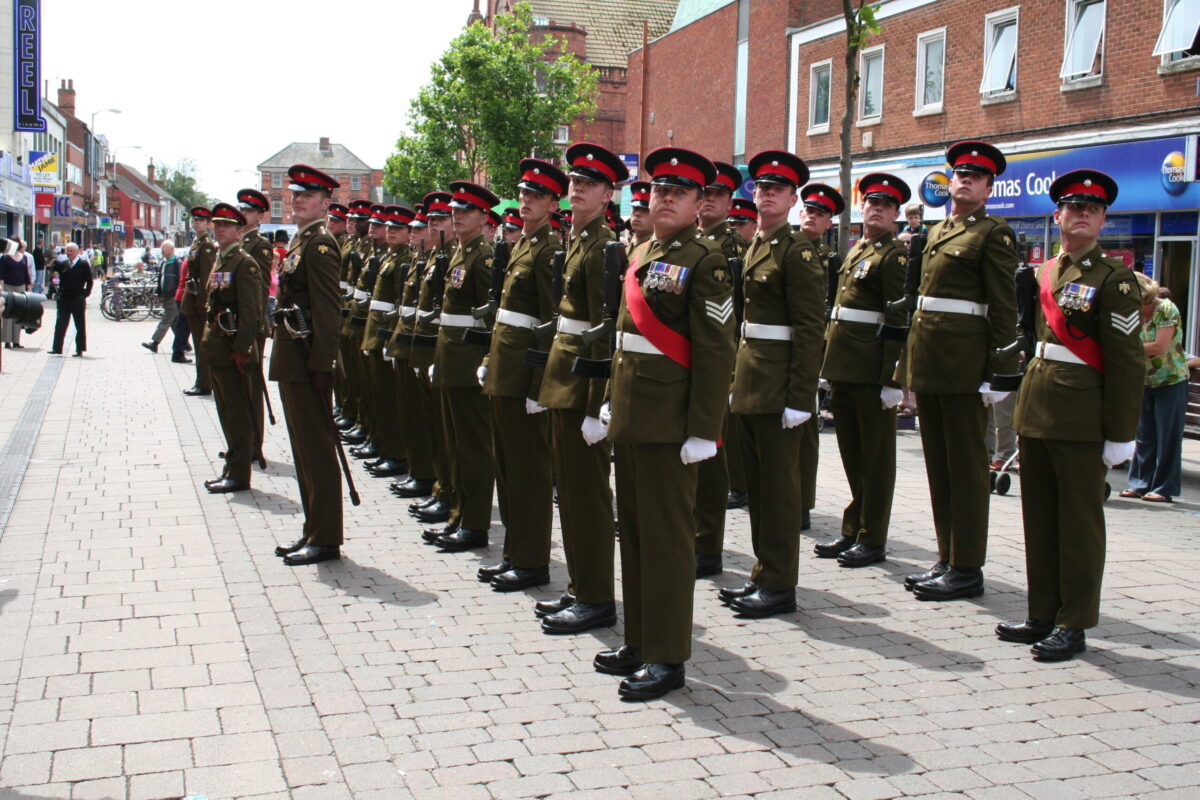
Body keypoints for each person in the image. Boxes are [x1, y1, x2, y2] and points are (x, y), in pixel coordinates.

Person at [593, 146, 735, 700]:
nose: (666, 198)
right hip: (633, 416)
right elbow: (622, 340)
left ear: (700, 202)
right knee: (633, 534)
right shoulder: (644, 250)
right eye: (660, 190)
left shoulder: (706, 260)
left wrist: (705, 428)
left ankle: (668, 655)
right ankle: (640, 638)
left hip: (672, 425)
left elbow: (716, 350)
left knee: (668, 542)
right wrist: (609, 399)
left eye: (679, 192)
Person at [1000, 170, 1144, 661]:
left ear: (1103, 220)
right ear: (1057, 215)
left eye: (1092, 208)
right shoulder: (1045, 272)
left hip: (1083, 419)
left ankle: (1074, 622)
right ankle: (1042, 612)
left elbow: (1126, 361)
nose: (1081, 213)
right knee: (1039, 519)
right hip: (1039, 409)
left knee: (1079, 525)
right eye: (1073, 206)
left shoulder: (1115, 280)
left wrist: (1121, 433)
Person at [896, 139, 1021, 601]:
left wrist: (999, 371)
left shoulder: (994, 232)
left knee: (966, 470)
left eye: (975, 176)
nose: (964, 180)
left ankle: (967, 566)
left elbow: (1003, 307)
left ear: (989, 186)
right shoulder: (939, 230)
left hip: (967, 367)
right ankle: (948, 556)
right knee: (940, 468)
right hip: (933, 363)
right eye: (959, 173)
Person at [723, 150, 826, 619]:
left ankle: (780, 585)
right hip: (751, 380)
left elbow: (809, 328)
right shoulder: (756, 245)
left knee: (780, 492)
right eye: (762, 187)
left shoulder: (797, 250)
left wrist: (801, 397)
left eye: (777, 189)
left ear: (792, 198)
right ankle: (763, 574)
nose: (766, 194)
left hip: (780, 386)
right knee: (759, 489)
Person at [536, 141, 629, 635]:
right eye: (573, 181)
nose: (576, 189)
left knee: (588, 497)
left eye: (588, 183)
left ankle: (596, 597)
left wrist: (598, 405)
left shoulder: (604, 248)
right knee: (569, 494)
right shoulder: (578, 240)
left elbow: (604, 329)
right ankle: (580, 585)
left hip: (581, 387)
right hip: (561, 380)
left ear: (609, 194)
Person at [477, 159, 568, 591]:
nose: (527, 201)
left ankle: (532, 560)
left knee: (529, 472)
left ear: (553, 202)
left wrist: (538, 386)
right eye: (524, 193)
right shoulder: (522, 246)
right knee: (508, 468)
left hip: (524, 379)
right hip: (505, 371)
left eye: (537, 195)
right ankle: (515, 551)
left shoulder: (550, 251)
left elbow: (551, 325)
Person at [816, 174, 907, 568]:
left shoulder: (894, 256)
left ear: (896, 215)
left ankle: (873, 538)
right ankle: (853, 528)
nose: (876, 209)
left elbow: (898, 318)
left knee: (876, 460)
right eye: (872, 202)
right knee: (853, 455)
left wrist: (892, 378)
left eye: (885, 205)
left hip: (871, 372)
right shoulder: (856, 250)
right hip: (845, 368)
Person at [271, 165, 345, 566]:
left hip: (306, 360)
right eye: (295, 194)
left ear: (324, 203)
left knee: (317, 450)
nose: (298, 200)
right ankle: (313, 529)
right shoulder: (301, 241)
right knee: (302, 449)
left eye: (307, 195)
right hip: (292, 357)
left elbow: (328, 310)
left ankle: (327, 537)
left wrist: (323, 364)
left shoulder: (320, 245)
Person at [429, 181, 499, 552]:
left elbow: (491, 320)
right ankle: (458, 515)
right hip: (450, 360)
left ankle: (474, 524)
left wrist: (485, 363)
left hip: (469, 363)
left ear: (483, 217)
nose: (456, 216)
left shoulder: (482, 257)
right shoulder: (459, 253)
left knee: (473, 447)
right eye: (454, 210)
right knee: (455, 444)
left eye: (465, 211)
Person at [692, 161, 744, 578]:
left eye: (715, 194)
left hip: (714, 361)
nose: (707, 200)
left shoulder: (730, 249)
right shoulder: (689, 242)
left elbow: (729, 317)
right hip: (681, 360)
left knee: (710, 459)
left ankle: (707, 545)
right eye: (702, 192)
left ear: (728, 201)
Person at [201, 203, 265, 494]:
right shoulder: (221, 259)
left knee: (238, 414)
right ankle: (231, 465)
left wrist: (242, 350)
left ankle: (239, 474)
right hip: (216, 348)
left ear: (240, 231)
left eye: (227, 225)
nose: (220, 229)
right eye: (218, 225)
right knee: (226, 412)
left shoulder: (244, 263)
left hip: (232, 351)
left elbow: (251, 313)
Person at [1120, 271, 1190, 503]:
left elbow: (1160, 346)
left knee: (1167, 437)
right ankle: (1139, 483)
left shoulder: (1166, 309)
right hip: (1144, 380)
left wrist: (1125, 347)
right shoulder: (1133, 311)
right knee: (1144, 435)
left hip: (1170, 380)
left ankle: (1163, 487)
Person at [181, 207, 218, 396]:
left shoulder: (206, 245)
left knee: (200, 345)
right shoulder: (197, 242)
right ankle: (202, 380)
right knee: (197, 344)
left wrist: (203, 303)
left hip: (199, 302)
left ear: (208, 223)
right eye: (195, 220)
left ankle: (204, 383)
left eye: (201, 220)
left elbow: (206, 277)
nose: (197, 223)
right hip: (192, 299)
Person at [141, 241, 189, 362]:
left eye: (164, 248)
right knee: (174, 321)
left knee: (167, 319)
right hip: (165, 296)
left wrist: (177, 293)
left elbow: (181, 279)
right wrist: (159, 292)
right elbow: (160, 279)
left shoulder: (176, 262)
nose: (162, 250)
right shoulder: (164, 262)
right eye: (162, 248)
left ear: (171, 249)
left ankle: (155, 342)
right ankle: (184, 343)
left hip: (173, 296)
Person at [49, 242, 93, 356]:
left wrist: (85, 294)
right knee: (60, 324)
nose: (69, 253)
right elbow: (53, 269)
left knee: (79, 325)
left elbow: (90, 281)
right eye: (67, 251)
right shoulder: (64, 263)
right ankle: (57, 348)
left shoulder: (83, 264)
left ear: (77, 251)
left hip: (77, 299)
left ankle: (79, 349)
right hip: (64, 299)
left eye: (71, 251)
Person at [1, 238, 34, 349]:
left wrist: (28, 286)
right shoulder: (5, 258)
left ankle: (16, 341)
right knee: (8, 313)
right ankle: (7, 340)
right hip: (8, 286)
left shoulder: (23, 257)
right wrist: (1, 287)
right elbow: (1, 273)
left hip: (21, 286)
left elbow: (26, 273)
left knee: (18, 313)